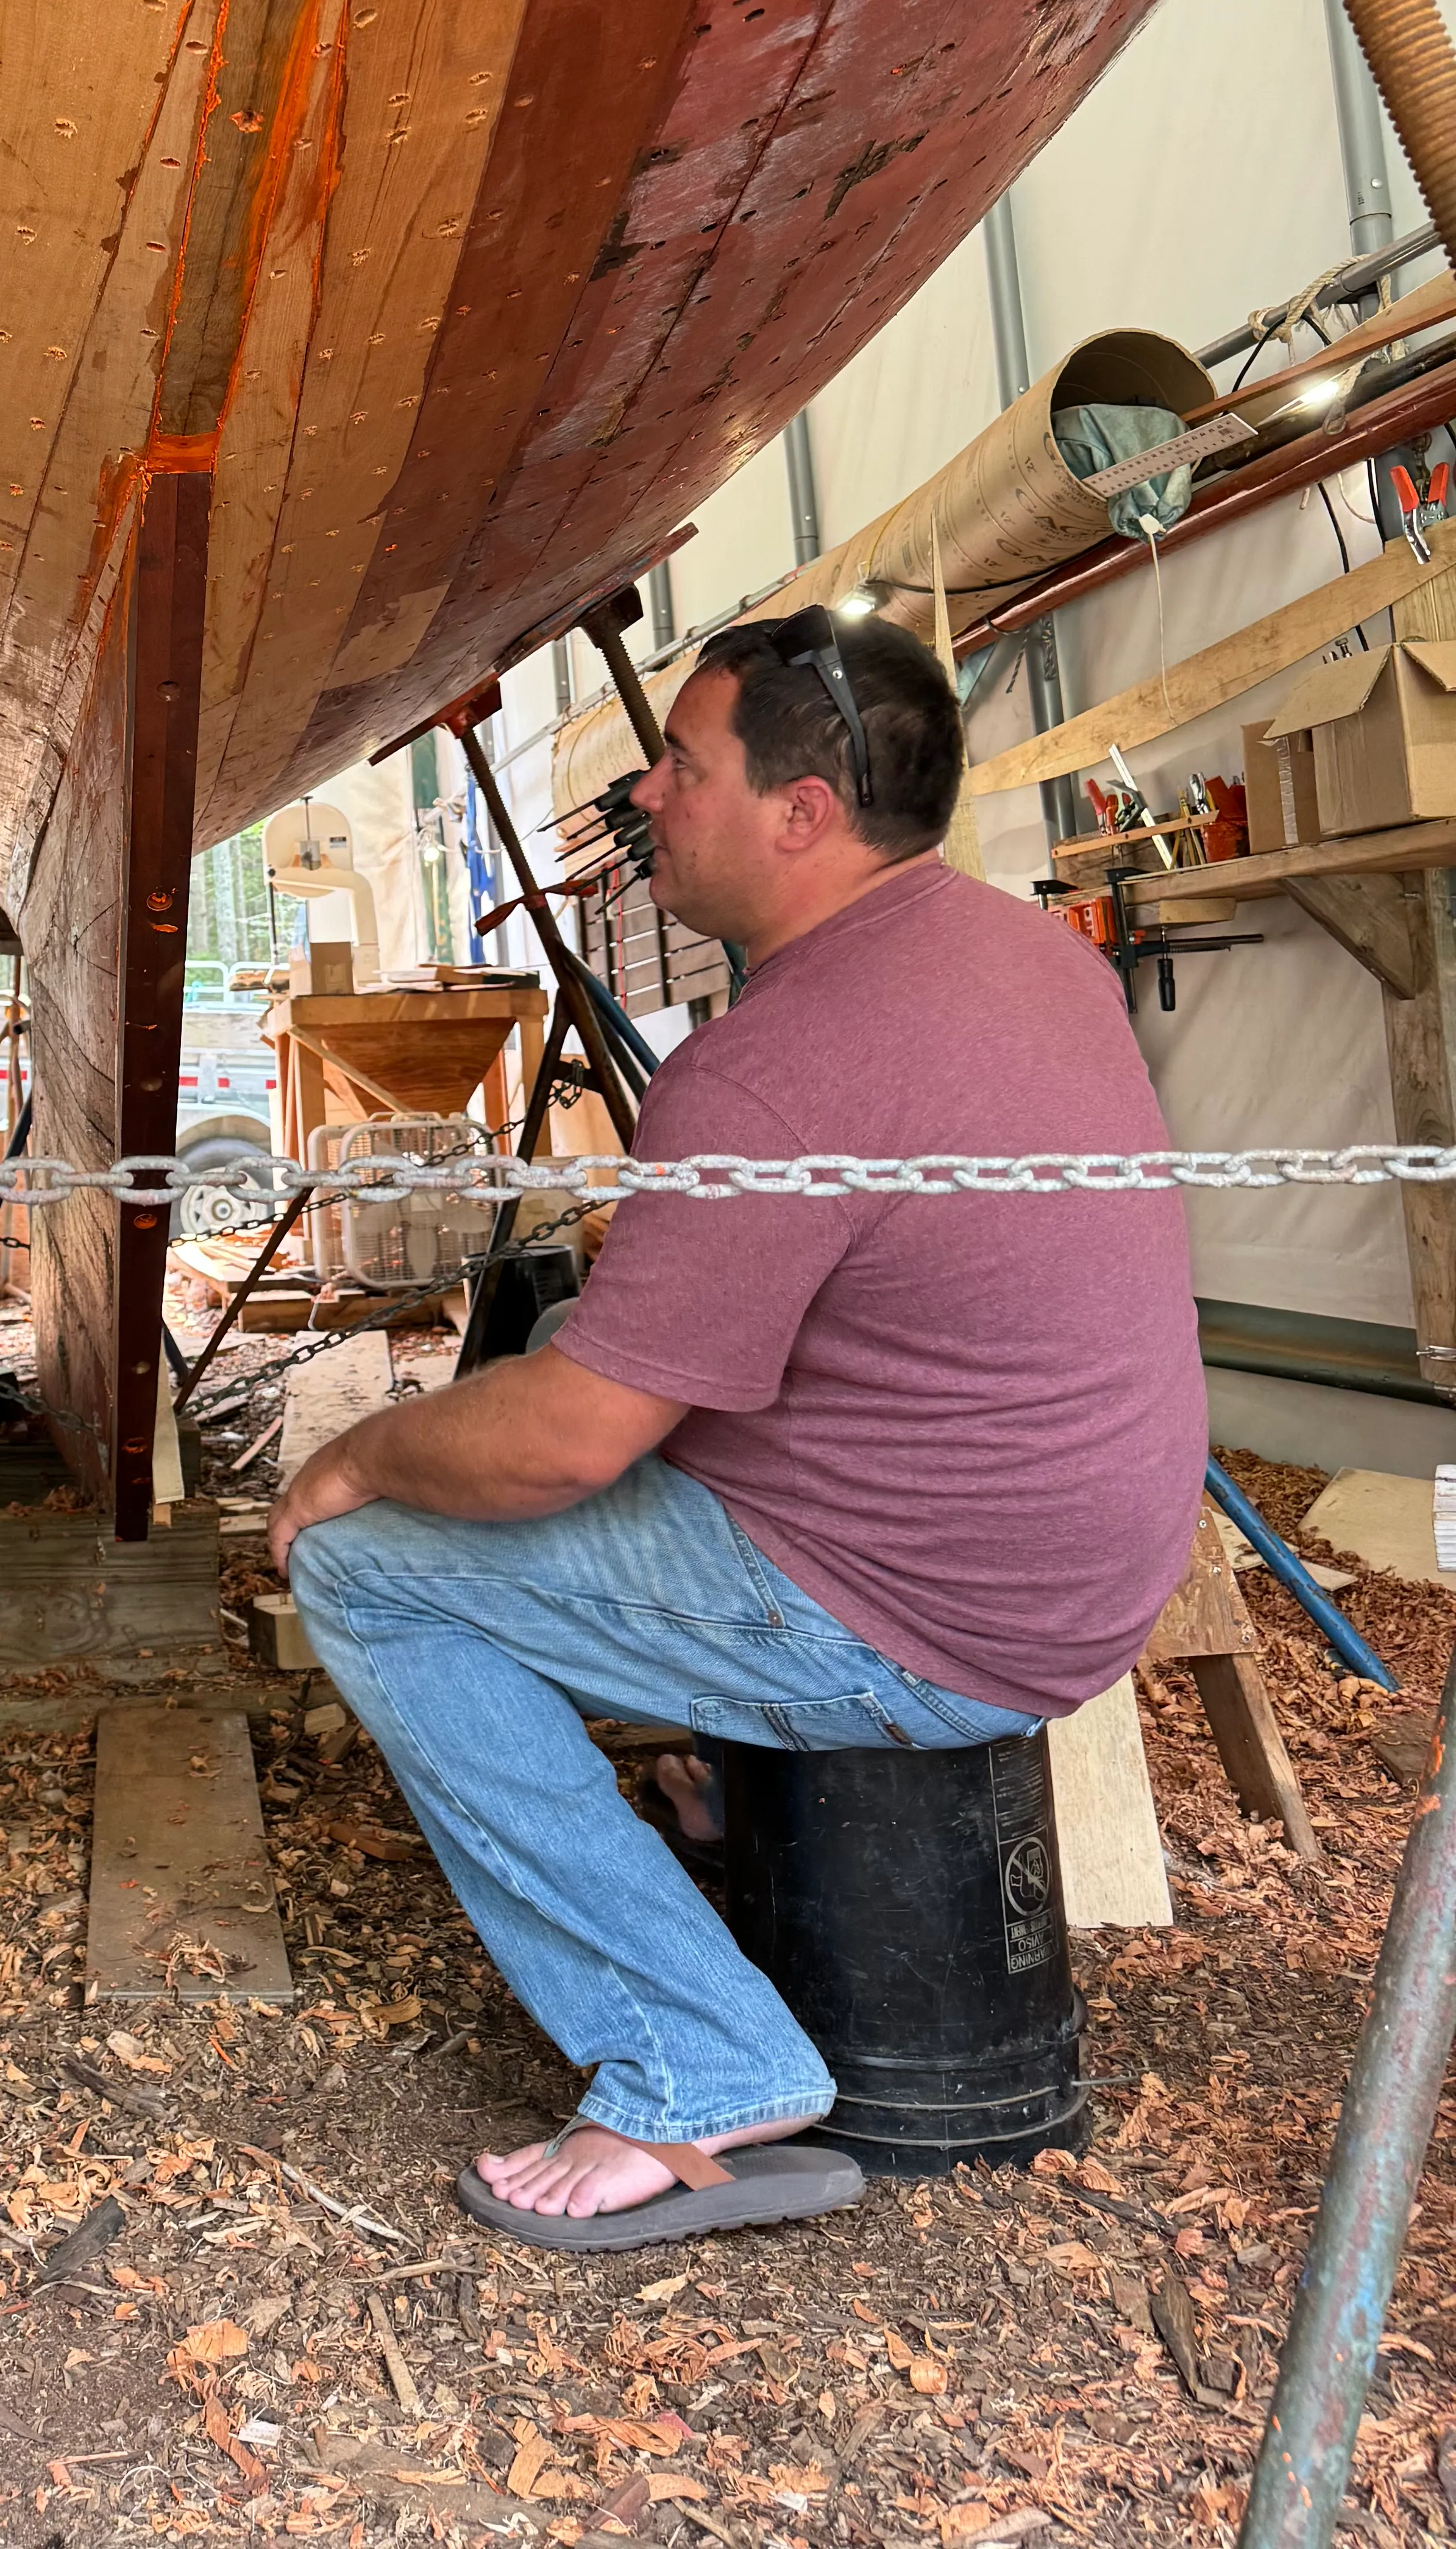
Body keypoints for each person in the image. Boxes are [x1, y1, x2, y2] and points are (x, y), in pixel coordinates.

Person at [274, 608, 1204, 2253]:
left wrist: (352, 1457)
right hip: (1069, 1552)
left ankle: (696, 2065)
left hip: (934, 1615)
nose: (646, 792)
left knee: (367, 1562)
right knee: (579, 1336)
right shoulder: (1029, 956)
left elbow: (565, 1446)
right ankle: (723, 1763)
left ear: (801, 814)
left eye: (679, 766)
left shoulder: (769, 1065)